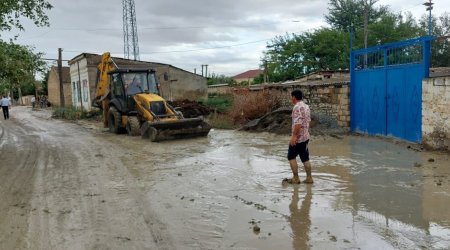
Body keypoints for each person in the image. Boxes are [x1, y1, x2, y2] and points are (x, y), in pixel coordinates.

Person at [284, 89, 313, 184]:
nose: (291, 99)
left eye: (291, 97)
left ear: (294, 97)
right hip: (306, 137)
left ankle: (295, 178)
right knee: (305, 158)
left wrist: (294, 137)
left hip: (298, 138)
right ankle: (309, 178)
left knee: (291, 157)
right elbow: (308, 121)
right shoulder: (306, 106)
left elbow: (298, 124)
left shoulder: (297, 107)